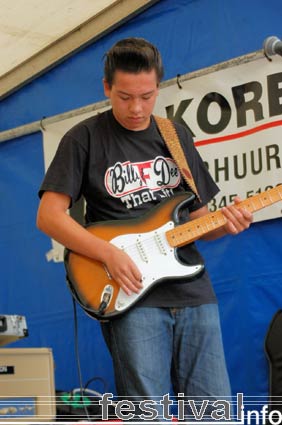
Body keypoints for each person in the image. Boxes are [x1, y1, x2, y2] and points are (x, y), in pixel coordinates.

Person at [37, 37, 253, 421]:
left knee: (213, 412)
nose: (137, 108)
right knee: (146, 413)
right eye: (124, 97)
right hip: (132, 295)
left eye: (147, 96)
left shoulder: (175, 135)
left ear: (159, 87)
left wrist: (229, 222)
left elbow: (201, 222)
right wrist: (109, 253)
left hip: (193, 292)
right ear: (106, 87)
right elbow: (49, 216)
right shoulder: (83, 138)